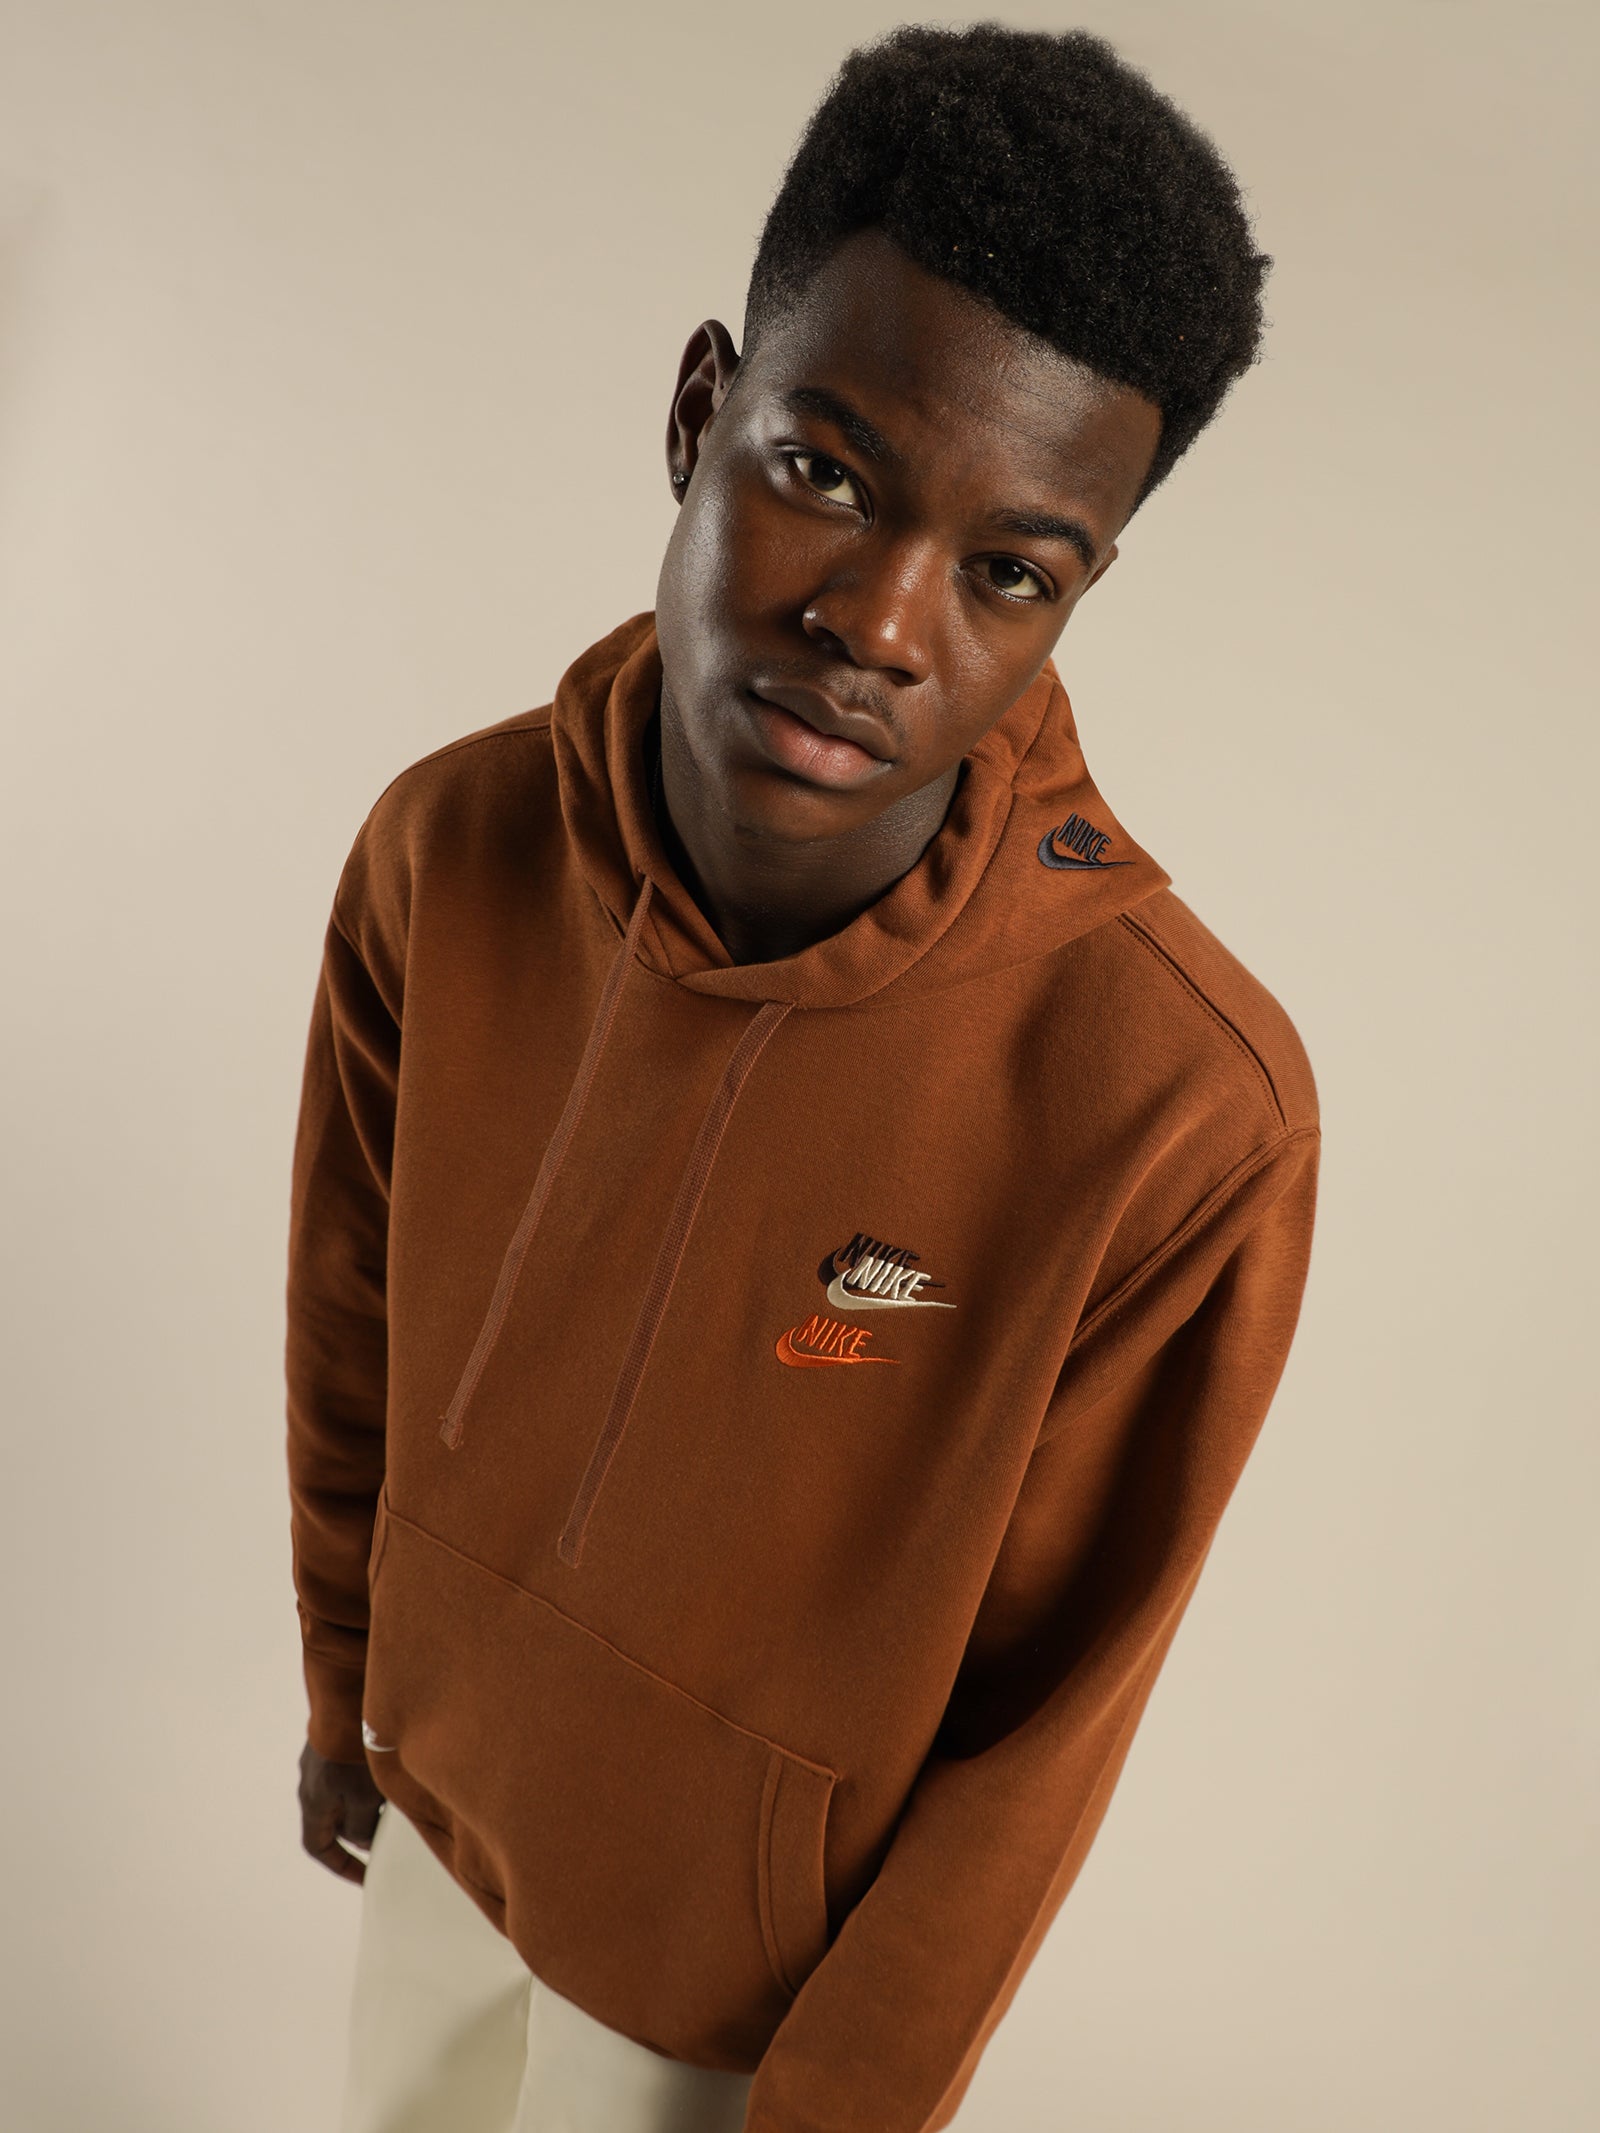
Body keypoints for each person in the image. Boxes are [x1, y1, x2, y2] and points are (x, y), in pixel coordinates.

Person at [286, 23, 1319, 2133]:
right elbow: (348, 1326)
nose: (880, 621)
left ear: (1074, 592)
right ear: (699, 410)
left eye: (1006, 570)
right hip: (435, 1832)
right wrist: (345, 1691)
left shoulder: (1170, 1111)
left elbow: (1044, 1728)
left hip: (731, 2017)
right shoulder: (447, 849)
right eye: (824, 472)